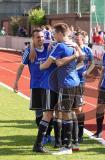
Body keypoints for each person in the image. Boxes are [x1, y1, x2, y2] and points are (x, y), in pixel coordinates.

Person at [40, 23, 83, 155]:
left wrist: (40, 65)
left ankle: (67, 146)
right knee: (70, 113)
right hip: (76, 82)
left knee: (65, 114)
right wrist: (76, 53)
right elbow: (82, 60)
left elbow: (50, 64)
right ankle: (72, 143)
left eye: (54, 34)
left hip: (66, 84)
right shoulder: (73, 45)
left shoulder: (59, 46)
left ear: (60, 33)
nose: (53, 36)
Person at [13, 28, 49, 152]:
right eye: (38, 37)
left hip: (49, 85)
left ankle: (48, 135)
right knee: (39, 113)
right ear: (33, 38)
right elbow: (21, 67)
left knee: (50, 112)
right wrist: (16, 82)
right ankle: (44, 137)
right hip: (36, 85)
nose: (41, 39)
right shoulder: (29, 51)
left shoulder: (49, 48)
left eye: (42, 36)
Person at [71, 31, 95, 148]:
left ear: (82, 39)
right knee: (70, 108)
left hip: (80, 82)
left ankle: (80, 133)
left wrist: (87, 71)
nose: (76, 40)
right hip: (70, 82)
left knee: (79, 109)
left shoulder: (87, 50)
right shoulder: (71, 49)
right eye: (74, 39)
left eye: (78, 39)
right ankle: (72, 133)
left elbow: (93, 63)